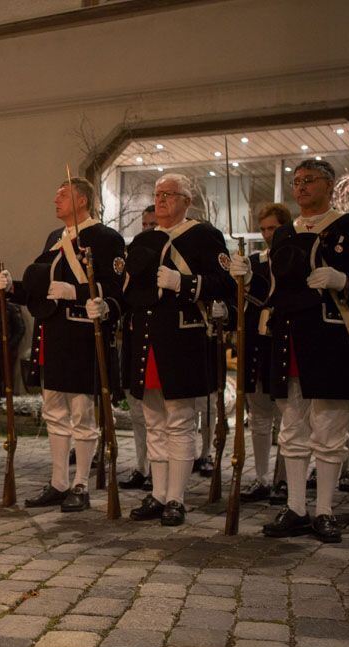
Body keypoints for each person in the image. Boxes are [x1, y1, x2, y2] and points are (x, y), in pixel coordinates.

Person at [238, 159, 349, 543]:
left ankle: (323, 510)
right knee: (291, 428)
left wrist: (345, 280)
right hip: (288, 336)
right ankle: (297, 507)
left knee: (330, 428)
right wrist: (244, 277)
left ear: (329, 184)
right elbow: (275, 287)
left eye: (309, 181)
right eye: (297, 181)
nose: (301, 187)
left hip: (331, 335)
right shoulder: (285, 232)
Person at [0, 177, 125, 512]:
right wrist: (13, 288)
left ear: (82, 200)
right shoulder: (56, 238)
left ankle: (80, 483)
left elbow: (115, 288)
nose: (56, 199)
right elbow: (43, 288)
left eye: (63, 194)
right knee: (53, 412)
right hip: (52, 335)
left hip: (83, 336)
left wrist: (78, 293)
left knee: (81, 413)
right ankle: (58, 481)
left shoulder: (106, 238)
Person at [120, 173, 234, 526]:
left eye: (170, 194)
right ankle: (157, 493)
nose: (162, 199)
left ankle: (176, 498)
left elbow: (224, 284)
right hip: (147, 339)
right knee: (154, 422)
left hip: (182, 339)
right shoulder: (143, 239)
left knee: (181, 422)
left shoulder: (204, 235)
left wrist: (182, 283)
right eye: (157, 194)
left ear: (187, 200)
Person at [236, 203, 289, 502]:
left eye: (274, 228)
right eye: (265, 228)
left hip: (281, 339)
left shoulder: (293, 257)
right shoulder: (254, 262)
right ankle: (261, 477)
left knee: (286, 417)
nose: (268, 234)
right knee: (258, 416)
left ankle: (283, 480)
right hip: (257, 343)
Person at [120, 206, 163, 492]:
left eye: (153, 223)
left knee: (160, 416)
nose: (148, 228)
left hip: (158, 338)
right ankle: (141, 465)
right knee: (137, 411)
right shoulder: (135, 253)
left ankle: (160, 474)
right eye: (145, 223)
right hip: (133, 339)